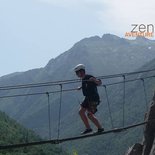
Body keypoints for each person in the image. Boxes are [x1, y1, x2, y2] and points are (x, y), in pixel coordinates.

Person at [74, 64, 104, 134]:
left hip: (93, 99)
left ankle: (100, 128)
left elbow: (99, 83)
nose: (77, 74)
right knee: (81, 112)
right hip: (87, 98)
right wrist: (81, 87)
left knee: (89, 115)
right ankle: (88, 128)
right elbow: (86, 84)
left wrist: (94, 80)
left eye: (77, 72)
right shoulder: (84, 79)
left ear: (82, 71)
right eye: (76, 73)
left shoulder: (89, 77)